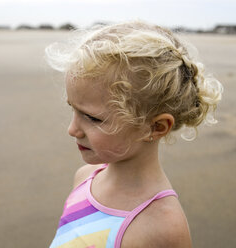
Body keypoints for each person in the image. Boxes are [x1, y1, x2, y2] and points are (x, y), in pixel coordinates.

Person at [45, 20, 223, 248]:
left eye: (93, 118)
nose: (72, 129)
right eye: (74, 109)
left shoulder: (162, 227)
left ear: (156, 127)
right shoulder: (84, 178)